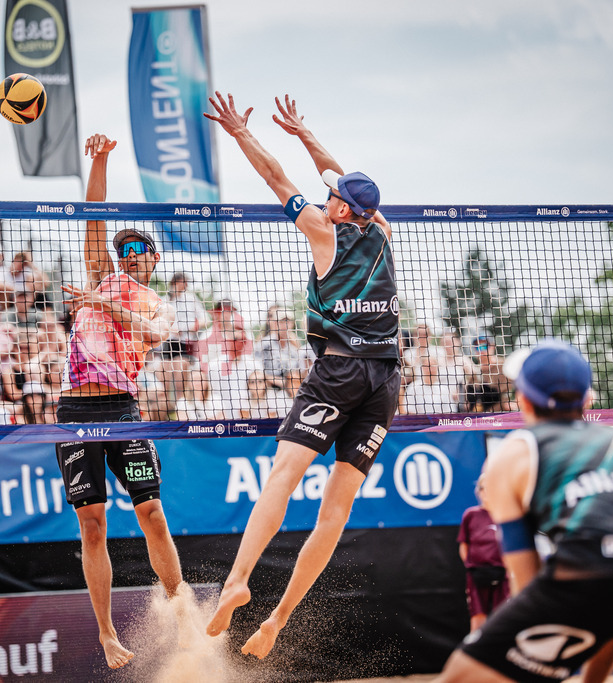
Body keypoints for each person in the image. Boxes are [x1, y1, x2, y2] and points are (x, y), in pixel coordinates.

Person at [203, 93, 399, 659]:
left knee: (282, 479)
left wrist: (242, 133)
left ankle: (239, 579)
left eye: (332, 196)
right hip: (387, 379)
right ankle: (279, 620)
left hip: (339, 371)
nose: (325, 195)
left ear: (340, 210)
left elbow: (274, 175)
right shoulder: (380, 230)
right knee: (335, 512)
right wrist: (305, 134)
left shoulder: (321, 228)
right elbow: (335, 174)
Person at [435, 339, 613, 683]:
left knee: (458, 678)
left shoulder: (512, 454)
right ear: (588, 399)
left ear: (521, 400)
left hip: (593, 571)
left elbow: (527, 584)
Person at [54, 134, 183, 670]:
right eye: (123, 251)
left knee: (151, 512)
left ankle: (183, 615)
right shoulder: (99, 276)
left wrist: (104, 306)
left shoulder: (160, 304)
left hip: (122, 412)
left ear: (152, 259)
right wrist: (102, 161)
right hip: (76, 412)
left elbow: (155, 332)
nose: (129, 257)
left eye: (138, 251)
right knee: (93, 524)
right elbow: (94, 219)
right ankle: (107, 634)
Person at [457, 478, 510, 633]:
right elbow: (464, 546)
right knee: (478, 619)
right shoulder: (471, 515)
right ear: (479, 491)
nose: (487, 492)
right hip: (477, 575)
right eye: (484, 488)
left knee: (503, 616)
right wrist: (472, 567)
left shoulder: (504, 513)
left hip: (502, 574)